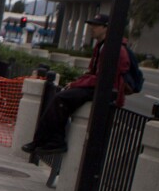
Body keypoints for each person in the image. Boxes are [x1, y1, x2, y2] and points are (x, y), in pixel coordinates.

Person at [22, 13, 130, 155]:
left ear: (106, 28)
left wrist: (77, 85)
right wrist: (77, 82)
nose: (92, 28)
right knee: (60, 98)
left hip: (106, 91)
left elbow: (104, 78)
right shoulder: (101, 46)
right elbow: (93, 72)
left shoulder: (114, 49)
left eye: (96, 26)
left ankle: (55, 141)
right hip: (98, 87)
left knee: (61, 99)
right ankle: (41, 141)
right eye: (91, 25)